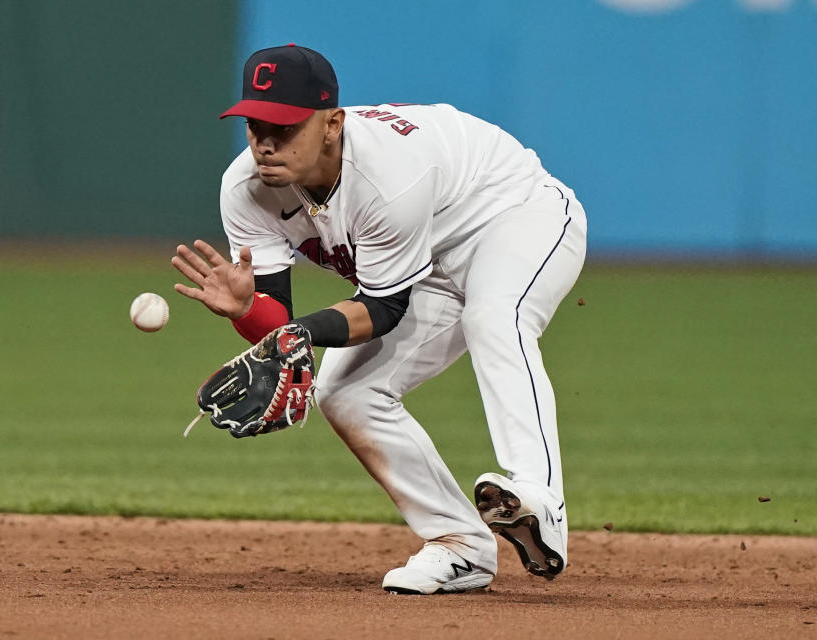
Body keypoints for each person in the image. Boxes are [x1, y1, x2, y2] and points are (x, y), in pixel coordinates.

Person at [172, 44, 587, 595]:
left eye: (284, 127)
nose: (265, 143)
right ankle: (459, 544)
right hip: (427, 261)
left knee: (496, 316)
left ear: (331, 124)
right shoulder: (247, 189)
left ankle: (539, 500)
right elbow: (281, 324)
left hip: (515, 214)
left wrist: (295, 334)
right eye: (254, 125)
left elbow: (385, 309)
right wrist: (251, 311)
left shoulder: (388, 175)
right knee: (343, 392)